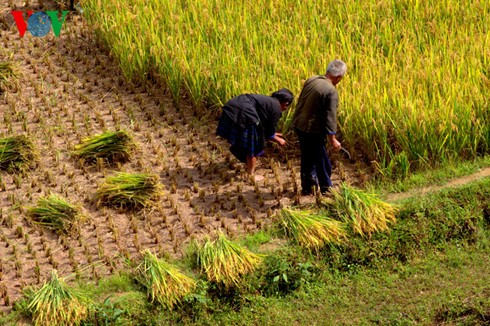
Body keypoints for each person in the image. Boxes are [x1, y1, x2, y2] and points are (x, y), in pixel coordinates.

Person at [292, 59, 347, 195]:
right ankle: (327, 190)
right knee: (321, 160)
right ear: (339, 77)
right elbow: (330, 117)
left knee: (307, 157)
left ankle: (308, 187)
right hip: (312, 129)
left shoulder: (312, 79)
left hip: (299, 124)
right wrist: (332, 139)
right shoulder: (331, 91)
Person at [216, 88, 294, 179]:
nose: (285, 109)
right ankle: (251, 175)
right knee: (253, 147)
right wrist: (278, 140)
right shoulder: (277, 108)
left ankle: (239, 152)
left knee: (247, 138)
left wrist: (273, 134)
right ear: (286, 103)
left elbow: (264, 126)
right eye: (287, 107)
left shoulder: (268, 101)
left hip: (231, 106)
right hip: (244, 112)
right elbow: (268, 130)